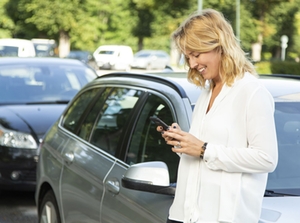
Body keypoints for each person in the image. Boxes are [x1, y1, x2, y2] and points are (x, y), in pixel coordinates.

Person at [157, 9, 278, 223]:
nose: (192, 64)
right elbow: (204, 154)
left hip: (223, 218)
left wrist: (204, 149)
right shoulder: (207, 91)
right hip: (184, 214)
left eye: (196, 54)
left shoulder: (252, 92)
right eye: (188, 57)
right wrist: (184, 143)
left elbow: (266, 159)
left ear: (219, 46)